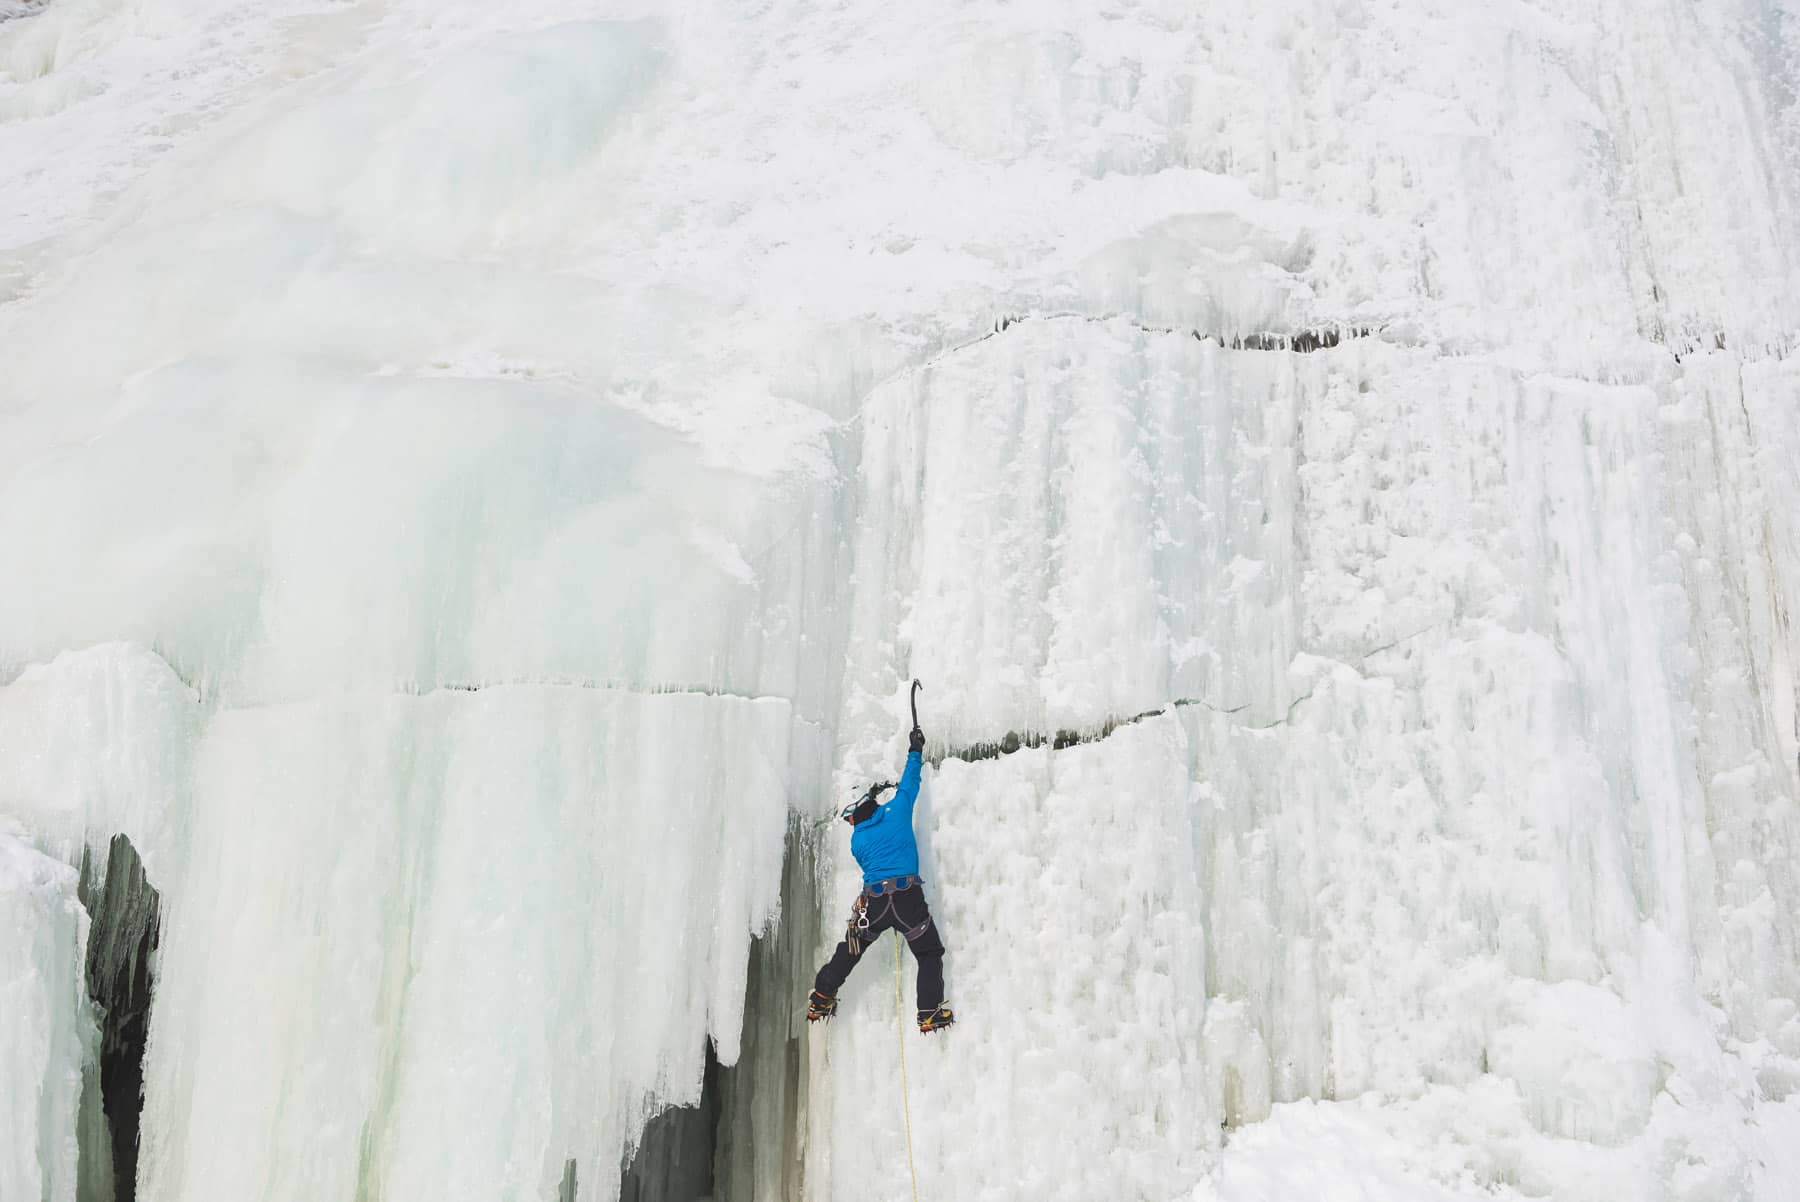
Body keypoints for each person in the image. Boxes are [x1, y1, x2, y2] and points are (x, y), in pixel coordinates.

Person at [807, 720, 954, 1033]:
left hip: (873, 904)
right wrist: (915, 749)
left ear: (856, 811)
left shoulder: (857, 841)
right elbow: (910, 784)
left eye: (848, 816)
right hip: (907, 901)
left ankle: (822, 994)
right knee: (929, 953)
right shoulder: (897, 811)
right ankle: (928, 1012)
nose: (848, 821)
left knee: (850, 950)